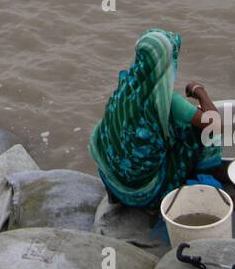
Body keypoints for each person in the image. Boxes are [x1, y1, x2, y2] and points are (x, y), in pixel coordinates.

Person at [88, 28, 223, 210]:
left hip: (113, 180)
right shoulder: (168, 102)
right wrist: (199, 90)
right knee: (209, 133)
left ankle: (115, 195)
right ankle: (203, 180)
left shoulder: (125, 89)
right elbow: (216, 123)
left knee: (113, 130)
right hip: (143, 194)